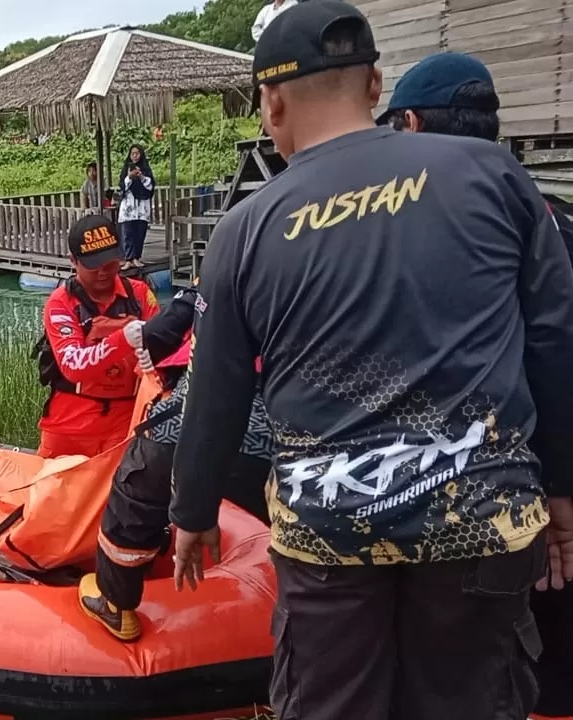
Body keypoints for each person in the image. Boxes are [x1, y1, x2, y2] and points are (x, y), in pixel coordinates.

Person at [166, 4, 573, 720]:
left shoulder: (246, 228)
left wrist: (193, 508)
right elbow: (553, 342)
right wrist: (563, 484)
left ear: (273, 101)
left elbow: (217, 389)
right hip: (481, 518)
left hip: (329, 534)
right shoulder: (494, 175)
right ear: (377, 85)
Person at [379, 50, 573, 720]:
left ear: (407, 123)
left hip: (472, 491)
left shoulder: (404, 230)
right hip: (539, 474)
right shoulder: (546, 213)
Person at [77, 278, 274, 641]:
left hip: (205, 410)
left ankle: (115, 602)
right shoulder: (352, 267)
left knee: (136, 487)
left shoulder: (236, 250)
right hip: (291, 427)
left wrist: (147, 339)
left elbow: (173, 320)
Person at [32, 214, 158, 459]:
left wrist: (155, 358)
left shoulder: (141, 295)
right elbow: (72, 366)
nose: (103, 273)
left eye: (110, 264)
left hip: (125, 424)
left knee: (123, 495)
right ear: (73, 261)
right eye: (93, 266)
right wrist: (124, 338)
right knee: (50, 495)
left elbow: (167, 349)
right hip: (68, 427)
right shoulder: (61, 303)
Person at [117, 145, 155, 267]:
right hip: (129, 206)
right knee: (128, 233)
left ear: (141, 154)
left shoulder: (146, 169)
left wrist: (141, 176)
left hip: (142, 207)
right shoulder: (126, 168)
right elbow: (122, 186)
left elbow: (150, 186)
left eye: (137, 153)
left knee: (140, 233)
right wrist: (129, 177)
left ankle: (137, 257)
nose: (134, 156)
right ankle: (128, 259)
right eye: (132, 153)